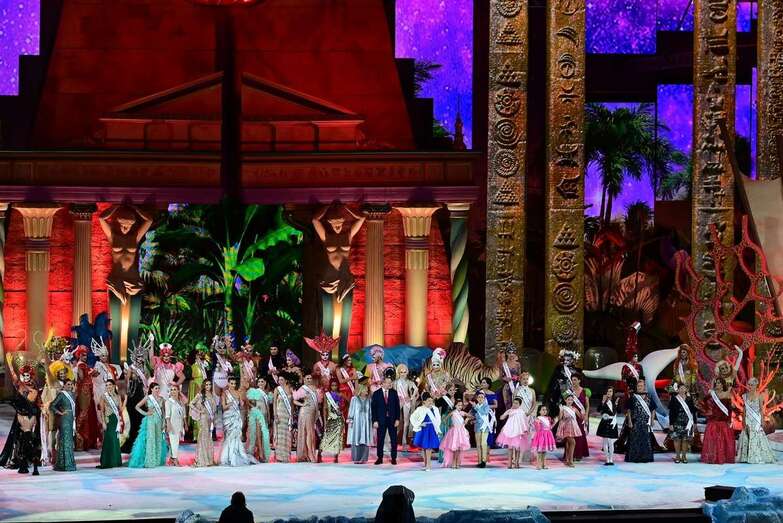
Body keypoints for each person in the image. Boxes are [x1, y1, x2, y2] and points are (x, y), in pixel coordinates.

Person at [0, 355, 43, 475]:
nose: (25, 377)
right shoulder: (19, 385)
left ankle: (32, 461)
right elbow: (13, 375)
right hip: (19, 416)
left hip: (31, 416)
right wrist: (9, 363)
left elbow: (35, 401)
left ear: (31, 376)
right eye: (23, 375)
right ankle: (20, 460)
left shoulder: (34, 388)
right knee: (18, 439)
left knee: (32, 438)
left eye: (27, 375)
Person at [129, 383, 168, 468]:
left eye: (158, 388)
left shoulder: (162, 399)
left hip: (159, 421)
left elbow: (164, 412)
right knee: (150, 440)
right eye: (156, 388)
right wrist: (146, 413)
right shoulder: (148, 398)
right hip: (150, 421)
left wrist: (164, 423)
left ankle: (157, 461)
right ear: (151, 389)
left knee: (158, 439)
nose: (157, 390)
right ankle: (150, 461)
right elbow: (137, 407)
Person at [737, 377, 776, 464]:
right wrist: (743, 421)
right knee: (746, 436)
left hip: (756, 420)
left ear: (756, 385)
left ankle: (756, 456)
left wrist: (762, 420)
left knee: (756, 436)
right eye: (749, 384)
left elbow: (761, 410)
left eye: (752, 385)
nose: (750, 386)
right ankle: (745, 457)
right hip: (747, 419)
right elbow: (744, 410)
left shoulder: (760, 396)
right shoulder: (744, 396)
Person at [123, 335, 152, 453]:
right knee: (133, 418)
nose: (140, 358)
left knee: (141, 418)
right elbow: (127, 382)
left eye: (142, 356)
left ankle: (141, 443)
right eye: (138, 356)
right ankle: (131, 443)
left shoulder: (144, 369)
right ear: (135, 357)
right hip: (133, 395)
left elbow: (148, 379)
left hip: (141, 393)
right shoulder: (131, 368)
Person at [220, 376, 257, 466]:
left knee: (236, 436)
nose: (233, 385)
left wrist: (243, 399)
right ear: (228, 383)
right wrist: (230, 403)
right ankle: (228, 457)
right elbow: (224, 407)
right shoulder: (225, 393)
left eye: (234, 383)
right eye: (231, 383)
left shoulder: (238, 393)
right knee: (229, 436)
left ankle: (236, 455)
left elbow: (241, 405)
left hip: (236, 416)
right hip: (228, 417)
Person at [700, 377, 735, 464]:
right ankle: (713, 457)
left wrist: (729, 419)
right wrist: (708, 410)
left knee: (724, 439)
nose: (717, 384)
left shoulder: (727, 394)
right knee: (713, 439)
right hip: (714, 419)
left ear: (723, 384)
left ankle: (723, 457)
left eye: (719, 383)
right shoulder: (712, 393)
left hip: (723, 420)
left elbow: (729, 409)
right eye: (716, 383)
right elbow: (704, 401)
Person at [371, 373, 400, 465]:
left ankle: (394, 458)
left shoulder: (394, 393)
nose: (390, 384)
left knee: (394, 440)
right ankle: (380, 458)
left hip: (392, 420)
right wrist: (374, 420)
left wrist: (397, 419)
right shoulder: (376, 394)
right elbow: (373, 409)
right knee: (380, 439)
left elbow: (397, 407)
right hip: (381, 420)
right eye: (388, 383)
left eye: (390, 383)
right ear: (382, 383)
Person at [74, 345, 99, 451]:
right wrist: (90, 373)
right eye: (83, 355)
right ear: (79, 355)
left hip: (88, 391)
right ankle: (82, 441)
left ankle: (90, 441)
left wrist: (93, 373)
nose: (85, 357)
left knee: (90, 414)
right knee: (84, 414)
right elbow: (81, 377)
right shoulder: (80, 365)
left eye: (86, 355)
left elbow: (92, 375)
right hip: (83, 392)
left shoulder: (85, 365)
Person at [293, 373, 322, 463]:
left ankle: (308, 453)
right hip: (306, 412)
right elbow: (294, 399)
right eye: (307, 378)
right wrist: (302, 404)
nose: (309, 379)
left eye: (310, 378)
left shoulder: (315, 388)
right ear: (304, 379)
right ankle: (310, 454)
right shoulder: (303, 389)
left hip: (313, 413)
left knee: (311, 433)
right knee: (309, 432)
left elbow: (319, 401)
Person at [625, 378, 655, 463]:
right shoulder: (633, 397)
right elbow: (629, 410)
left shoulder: (649, 396)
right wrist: (630, 421)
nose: (639, 387)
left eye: (641, 386)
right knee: (635, 440)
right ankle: (635, 457)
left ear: (644, 387)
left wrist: (652, 420)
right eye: (638, 386)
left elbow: (653, 409)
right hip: (636, 422)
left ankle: (645, 457)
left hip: (646, 423)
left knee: (646, 440)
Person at [50, 379, 77, 472]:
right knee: (64, 440)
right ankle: (64, 464)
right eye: (68, 384)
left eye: (71, 384)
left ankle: (70, 463)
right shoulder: (62, 394)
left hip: (71, 419)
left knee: (69, 440)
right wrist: (60, 413)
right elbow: (52, 405)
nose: (70, 386)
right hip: (64, 419)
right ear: (64, 385)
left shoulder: (73, 395)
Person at [411, 392, 441, 471]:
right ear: (424, 401)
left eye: (431, 400)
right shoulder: (420, 409)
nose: (430, 402)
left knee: (429, 448)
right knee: (424, 448)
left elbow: (438, 419)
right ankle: (426, 464)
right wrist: (420, 424)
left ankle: (428, 465)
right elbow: (412, 417)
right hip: (423, 430)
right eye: (428, 401)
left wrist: (437, 428)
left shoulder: (435, 409)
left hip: (431, 429)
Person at [189, 379, 217, 467]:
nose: (208, 386)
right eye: (206, 385)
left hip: (210, 418)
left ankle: (209, 459)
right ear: (204, 386)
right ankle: (202, 459)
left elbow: (214, 408)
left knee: (208, 437)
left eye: (209, 384)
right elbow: (191, 404)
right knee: (203, 437)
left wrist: (213, 419)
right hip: (203, 418)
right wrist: (199, 411)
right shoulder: (200, 395)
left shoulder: (211, 395)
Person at [98, 379, 124, 469]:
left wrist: (126, 399)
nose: (108, 387)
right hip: (108, 419)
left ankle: (115, 461)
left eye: (110, 385)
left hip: (115, 420)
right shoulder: (103, 396)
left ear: (113, 386)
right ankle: (107, 461)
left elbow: (120, 409)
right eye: (107, 385)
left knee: (115, 440)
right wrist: (103, 422)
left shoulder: (118, 396)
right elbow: (101, 411)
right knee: (109, 439)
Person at [667, 383, 695, 464]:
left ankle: (684, 456)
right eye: (681, 388)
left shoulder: (689, 399)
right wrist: (671, 424)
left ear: (686, 389)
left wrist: (694, 422)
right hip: (677, 421)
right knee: (677, 439)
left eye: (684, 388)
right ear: (678, 390)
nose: (682, 390)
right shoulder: (674, 399)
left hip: (687, 422)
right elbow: (671, 413)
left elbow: (693, 411)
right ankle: (678, 456)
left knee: (685, 439)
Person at [439, 397, 472, 469]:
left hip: (461, 431)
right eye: (458, 405)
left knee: (459, 448)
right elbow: (444, 420)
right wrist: (449, 425)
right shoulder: (453, 413)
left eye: (461, 405)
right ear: (455, 406)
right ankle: (454, 462)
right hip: (454, 432)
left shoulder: (462, 413)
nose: (460, 407)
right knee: (455, 448)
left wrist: (467, 419)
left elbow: (471, 416)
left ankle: (457, 462)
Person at [497, 397, 529, 469]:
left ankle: (517, 462)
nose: (514, 404)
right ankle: (509, 463)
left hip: (518, 431)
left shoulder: (521, 412)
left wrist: (525, 430)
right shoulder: (510, 410)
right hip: (510, 430)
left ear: (519, 404)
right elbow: (501, 418)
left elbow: (524, 422)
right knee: (510, 448)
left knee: (517, 448)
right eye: (514, 403)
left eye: (516, 403)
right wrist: (505, 414)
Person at [347, 378, 373, 464]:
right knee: (356, 439)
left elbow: (370, 412)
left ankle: (363, 458)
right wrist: (350, 420)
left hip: (365, 423)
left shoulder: (369, 400)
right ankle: (356, 458)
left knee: (365, 438)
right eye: (365, 389)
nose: (367, 391)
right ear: (361, 390)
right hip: (356, 423)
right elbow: (351, 410)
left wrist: (371, 422)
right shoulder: (354, 399)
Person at [189, 343, 211, 440]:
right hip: (197, 388)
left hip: (204, 387)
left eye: (201, 353)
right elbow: (193, 379)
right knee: (197, 408)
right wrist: (198, 388)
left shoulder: (203, 366)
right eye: (198, 354)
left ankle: (204, 432)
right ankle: (195, 434)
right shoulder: (194, 366)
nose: (200, 355)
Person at [319, 379, 344, 463]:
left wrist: (342, 410)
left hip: (338, 419)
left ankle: (336, 456)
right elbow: (325, 408)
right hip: (330, 419)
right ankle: (319, 454)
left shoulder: (340, 394)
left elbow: (345, 404)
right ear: (330, 386)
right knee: (326, 437)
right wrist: (325, 420)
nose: (334, 387)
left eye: (336, 385)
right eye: (332, 385)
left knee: (337, 438)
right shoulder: (327, 395)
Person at [394, 363, 418, 451]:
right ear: (398, 373)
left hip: (406, 402)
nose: (403, 374)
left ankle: (404, 441)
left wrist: (411, 397)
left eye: (404, 372)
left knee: (406, 421)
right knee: (396, 420)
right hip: (398, 401)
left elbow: (416, 389)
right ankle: (394, 440)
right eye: (401, 372)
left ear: (407, 372)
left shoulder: (409, 382)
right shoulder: (395, 382)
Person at [273, 372, 295, 463]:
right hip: (279, 414)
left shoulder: (290, 389)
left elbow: (292, 403)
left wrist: (292, 415)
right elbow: (274, 403)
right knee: (280, 435)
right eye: (279, 380)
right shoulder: (277, 389)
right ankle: (279, 456)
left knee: (287, 435)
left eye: (282, 379)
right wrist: (275, 415)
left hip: (287, 414)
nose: (280, 381)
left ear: (286, 380)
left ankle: (286, 456)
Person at [246, 388, 272, 463]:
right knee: (258, 435)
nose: (261, 383)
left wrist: (269, 416)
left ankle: (260, 453)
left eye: (262, 382)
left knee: (264, 436)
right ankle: (259, 454)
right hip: (257, 415)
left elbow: (267, 406)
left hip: (264, 415)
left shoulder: (267, 393)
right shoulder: (254, 391)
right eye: (259, 382)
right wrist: (254, 408)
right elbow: (248, 402)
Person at [557, 393, 582, 467]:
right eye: (568, 400)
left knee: (568, 443)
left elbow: (580, 416)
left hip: (573, 427)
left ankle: (568, 460)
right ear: (565, 400)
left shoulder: (574, 408)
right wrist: (560, 410)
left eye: (571, 400)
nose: (570, 401)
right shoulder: (563, 408)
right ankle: (570, 461)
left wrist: (583, 413)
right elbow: (560, 418)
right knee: (573, 443)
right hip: (566, 427)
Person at [596, 386, 619, 466]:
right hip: (605, 423)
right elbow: (599, 410)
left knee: (611, 441)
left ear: (613, 393)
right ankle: (607, 459)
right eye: (608, 391)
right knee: (605, 441)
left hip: (612, 422)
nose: (609, 393)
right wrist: (602, 402)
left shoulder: (614, 401)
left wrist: (616, 404)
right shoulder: (603, 401)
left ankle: (611, 458)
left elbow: (617, 411)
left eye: (610, 391)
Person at [165, 384, 187, 466]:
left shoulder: (180, 402)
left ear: (178, 391)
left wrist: (185, 424)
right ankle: (175, 459)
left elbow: (184, 414)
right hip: (172, 424)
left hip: (179, 424)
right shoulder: (168, 402)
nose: (173, 391)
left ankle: (171, 458)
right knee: (174, 442)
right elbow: (167, 415)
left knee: (176, 442)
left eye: (175, 389)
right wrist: (168, 425)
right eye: (171, 390)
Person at [569, 374, 590, 460]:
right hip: (571, 416)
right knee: (571, 435)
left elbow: (587, 405)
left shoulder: (584, 391)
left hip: (581, 416)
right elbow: (566, 403)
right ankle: (571, 454)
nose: (573, 382)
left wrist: (586, 416)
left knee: (580, 434)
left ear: (579, 380)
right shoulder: (569, 391)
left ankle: (579, 454)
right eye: (572, 380)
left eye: (574, 380)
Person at [472, 390, 493, 468]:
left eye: (482, 397)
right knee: (478, 445)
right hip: (477, 427)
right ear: (477, 398)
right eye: (479, 397)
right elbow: (471, 414)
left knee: (483, 443)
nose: (480, 398)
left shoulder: (486, 406)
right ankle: (479, 461)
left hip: (485, 427)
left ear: (484, 399)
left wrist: (476, 407)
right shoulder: (475, 406)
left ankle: (484, 461)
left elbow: (484, 413)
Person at [531, 405, 556, 470]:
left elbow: (549, 427)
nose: (545, 411)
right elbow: (537, 429)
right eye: (543, 410)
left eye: (545, 410)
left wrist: (554, 423)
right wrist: (537, 423)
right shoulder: (538, 418)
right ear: (539, 411)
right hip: (541, 436)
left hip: (547, 435)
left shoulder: (548, 418)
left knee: (544, 451)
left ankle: (544, 464)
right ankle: (538, 465)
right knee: (539, 451)